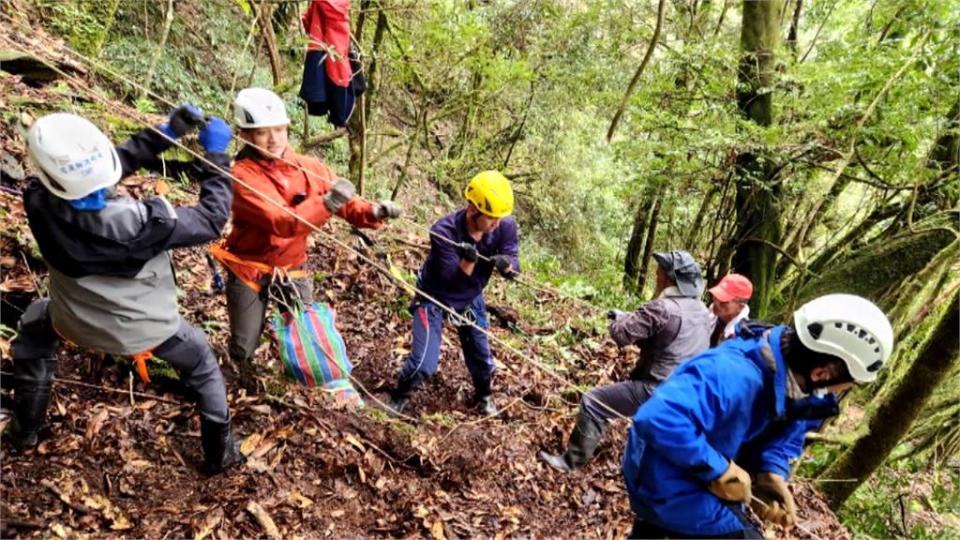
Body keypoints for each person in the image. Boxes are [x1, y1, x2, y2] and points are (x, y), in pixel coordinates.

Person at [7, 107, 245, 473]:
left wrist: (165, 132)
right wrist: (217, 157)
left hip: (70, 319)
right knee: (200, 360)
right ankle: (221, 455)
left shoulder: (37, 200)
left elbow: (85, 178)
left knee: (34, 328)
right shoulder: (145, 223)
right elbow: (212, 218)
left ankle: (24, 429)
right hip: (147, 330)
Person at [622, 294, 894, 538]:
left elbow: (783, 434)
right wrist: (720, 472)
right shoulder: (734, 374)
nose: (843, 391)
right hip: (665, 485)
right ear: (821, 373)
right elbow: (657, 418)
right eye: (850, 383)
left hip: (689, 484)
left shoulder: (795, 386)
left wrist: (770, 474)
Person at [216, 87, 401, 392]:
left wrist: (374, 211)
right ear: (246, 136)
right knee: (244, 341)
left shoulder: (308, 167)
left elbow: (349, 203)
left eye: (279, 129)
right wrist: (326, 204)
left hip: (292, 266)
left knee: (309, 333)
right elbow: (282, 222)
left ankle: (312, 385)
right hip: (248, 267)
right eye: (262, 133)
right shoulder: (241, 177)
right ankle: (241, 382)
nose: (274, 139)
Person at [540, 250, 714, 471]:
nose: (656, 276)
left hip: (657, 388)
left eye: (659, 272)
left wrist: (620, 321)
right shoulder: (701, 310)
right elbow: (664, 335)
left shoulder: (661, 308)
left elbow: (621, 335)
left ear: (668, 278)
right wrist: (626, 316)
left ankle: (570, 462)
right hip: (688, 391)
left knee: (593, 403)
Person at [387, 171, 519, 417]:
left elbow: (514, 264)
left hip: (470, 297)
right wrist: (468, 262)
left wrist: (507, 265)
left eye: (499, 218)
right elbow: (451, 282)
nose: (497, 224)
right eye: (492, 218)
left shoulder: (504, 225)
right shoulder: (444, 231)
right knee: (424, 363)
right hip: (434, 296)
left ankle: (484, 395)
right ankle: (399, 395)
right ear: (473, 210)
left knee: (481, 356)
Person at [709, 273, 753, 346]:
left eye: (724, 301)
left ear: (740, 306)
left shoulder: (742, 335)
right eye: (716, 296)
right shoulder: (708, 316)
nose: (716, 303)